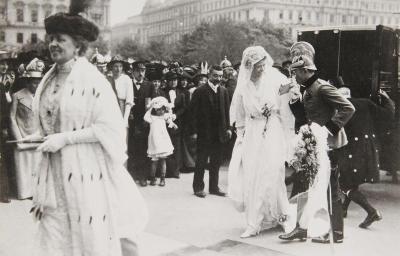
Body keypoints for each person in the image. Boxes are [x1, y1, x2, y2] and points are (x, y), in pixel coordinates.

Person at [30, 2, 148, 255]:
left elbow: (109, 128)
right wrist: (38, 136)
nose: (53, 45)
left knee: (89, 233)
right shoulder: (47, 79)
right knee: (56, 235)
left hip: (85, 170)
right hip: (52, 176)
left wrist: (66, 139)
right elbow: (51, 121)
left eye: (60, 40)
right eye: (51, 39)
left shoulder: (94, 81)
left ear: (78, 46)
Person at [280, 52, 355, 243]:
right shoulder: (307, 87)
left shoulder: (322, 87)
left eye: (296, 72)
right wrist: (294, 102)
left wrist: (328, 129)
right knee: (304, 185)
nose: (294, 76)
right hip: (313, 145)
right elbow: (306, 116)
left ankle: (336, 233)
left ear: (306, 71)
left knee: (330, 189)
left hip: (328, 147)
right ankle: (301, 229)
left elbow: (348, 108)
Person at [228, 46, 295, 238]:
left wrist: (287, 135)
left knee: (274, 172)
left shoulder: (276, 79)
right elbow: (239, 116)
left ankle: (282, 217)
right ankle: (254, 222)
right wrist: (241, 137)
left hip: (273, 129)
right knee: (253, 176)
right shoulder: (243, 86)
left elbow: (286, 108)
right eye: (257, 66)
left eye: (263, 64)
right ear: (249, 66)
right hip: (252, 133)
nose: (262, 69)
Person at [337, 86, 394, 228]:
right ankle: (343, 209)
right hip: (369, 148)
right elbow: (388, 114)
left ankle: (371, 212)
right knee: (351, 180)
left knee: (344, 184)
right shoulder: (365, 103)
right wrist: (387, 100)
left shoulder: (341, 108)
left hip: (352, 149)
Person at [190, 65, 232, 198]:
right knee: (201, 161)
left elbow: (227, 111)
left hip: (219, 133)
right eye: (215, 75)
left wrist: (229, 128)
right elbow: (193, 113)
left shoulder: (224, 91)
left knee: (216, 162)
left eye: (220, 76)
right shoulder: (200, 91)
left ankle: (214, 187)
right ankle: (198, 188)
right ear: (209, 75)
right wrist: (194, 132)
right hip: (204, 133)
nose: (218, 78)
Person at [9, 58, 43, 200]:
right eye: (33, 82)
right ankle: (24, 192)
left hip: (37, 136)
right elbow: (12, 117)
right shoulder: (17, 95)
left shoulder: (42, 96)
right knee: (23, 167)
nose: (36, 84)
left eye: (38, 82)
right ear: (27, 82)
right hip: (22, 136)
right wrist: (18, 138)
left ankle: (36, 192)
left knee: (37, 166)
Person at [144, 97, 178, 186]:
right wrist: (151, 106)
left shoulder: (164, 117)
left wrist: (173, 124)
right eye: (158, 110)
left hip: (163, 140)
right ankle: (152, 178)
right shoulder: (151, 117)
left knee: (163, 160)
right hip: (154, 141)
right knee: (154, 161)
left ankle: (163, 179)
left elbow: (170, 120)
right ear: (155, 109)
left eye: (163, 109)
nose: (161, 111)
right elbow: (145, 117)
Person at [129, 60, 152, 186]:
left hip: (144, 122)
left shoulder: (149, 85)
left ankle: (143, 176)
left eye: (143, 70)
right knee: (131, 148)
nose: (140, 73)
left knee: (143, 149)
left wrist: (147, 120)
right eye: (138, 71)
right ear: (133, 72)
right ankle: (132, 175)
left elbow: (152, 104)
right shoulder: (128, 84)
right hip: (131, 122)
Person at [164, 71, 187, 178]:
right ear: (167, 81)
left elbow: (183, 107)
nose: (173, 82)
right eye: (171, 80)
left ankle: (176, 171)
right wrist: (168, 116)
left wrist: (176, 115)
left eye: (175, 80)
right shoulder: (162, 92)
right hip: (165, 122)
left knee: (177, 146)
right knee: (167, 144)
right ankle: (168, 170)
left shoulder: (180, 93)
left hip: (177, 122)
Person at [107, 55, 134, 128]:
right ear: (111, 67)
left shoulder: (126, 79)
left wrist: (125, 119)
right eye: (116, 66)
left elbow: (129, 101)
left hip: (122, 109)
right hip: (109, 109)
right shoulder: (108, 79)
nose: (118, 69)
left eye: (120, 66)